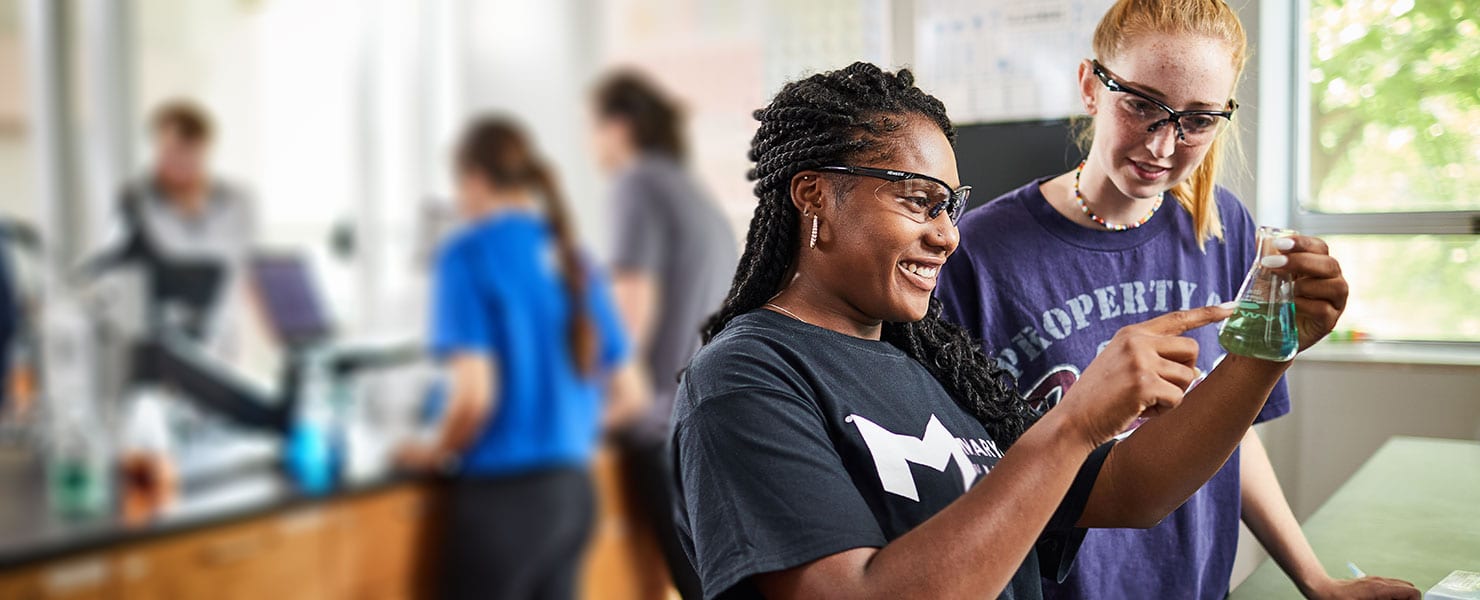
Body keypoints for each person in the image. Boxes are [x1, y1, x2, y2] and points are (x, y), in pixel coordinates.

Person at [671, 62, 1356, 600]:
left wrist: (1267, 349)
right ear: (812, 193)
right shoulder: (745, 378)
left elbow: (1129, 492)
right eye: (918, 201)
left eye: (951, 207)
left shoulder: (929, 360)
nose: (947, 235)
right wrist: (1074, 423)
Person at [934, 2, 1419, 599]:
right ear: (1091, 86)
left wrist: (1315, 579)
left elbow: (1229, 427)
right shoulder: (975, 256)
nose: (1163, 145)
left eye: (1198, 119)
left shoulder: (1221, 228)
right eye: (1140, 104)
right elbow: (962, 481)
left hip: (1193, 581)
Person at [394, 117, 647, 600]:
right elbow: (632, 394)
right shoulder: (572, 255)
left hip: (503, 503)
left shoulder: (466, 253)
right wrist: (563, 430)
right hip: (573, 494)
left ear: (473, 180)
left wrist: (433, 451)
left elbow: (473, 397)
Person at [590, 69, 737, 600]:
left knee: (695, 584)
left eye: (594, 128)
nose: (592, 145)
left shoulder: (637, 183)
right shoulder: (694, 196)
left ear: (619, 126)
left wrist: (596, 400)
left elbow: (630, 309)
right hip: (706, 414)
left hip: (660, 423)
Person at [104, 100, 256, 346]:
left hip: (221, 340)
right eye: (172, 152)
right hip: (154, 342)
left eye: (190, 153)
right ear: (156, 148)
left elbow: (244, 272)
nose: (181, 165)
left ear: (206, 149)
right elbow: (112, 270)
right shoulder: (133, 201)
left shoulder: (238, 202)